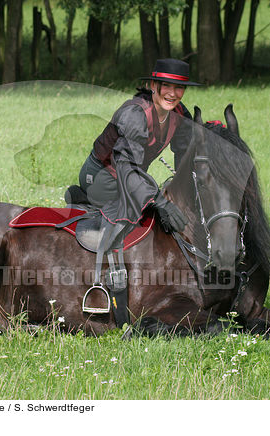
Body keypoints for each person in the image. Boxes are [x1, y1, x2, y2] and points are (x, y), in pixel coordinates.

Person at [66, 59, 202, 325]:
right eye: (166, 86)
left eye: (179, 87)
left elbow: (186, 157)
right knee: (138, 212)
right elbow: (126, 167)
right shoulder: (134, 114)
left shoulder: (179, 114)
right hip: (105, 175)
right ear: (153, 85)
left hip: (133, 174)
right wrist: (157, 201)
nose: (172, 93)